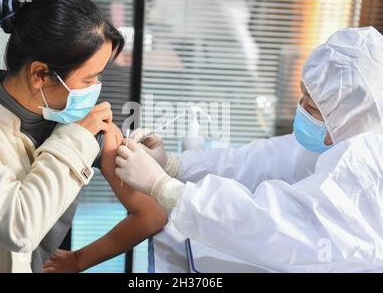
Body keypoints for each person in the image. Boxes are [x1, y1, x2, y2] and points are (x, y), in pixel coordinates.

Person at [115, 26, 383, 272]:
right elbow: (260, 160)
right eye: (302, 95)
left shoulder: (361, 169)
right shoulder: (340, 136)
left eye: (312, 107)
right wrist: (175, 165)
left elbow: (275, 226)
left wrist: (166, 188)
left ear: (349, 118)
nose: (301, 108)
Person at [0, 0, 166, 273]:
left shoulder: (80, 126)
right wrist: (76, 139)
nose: (96, 89)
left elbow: (151, 215)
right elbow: (18, 226)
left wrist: (79, 260)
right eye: (88, 79)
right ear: (40, 74)